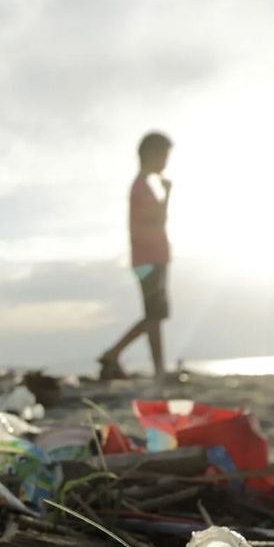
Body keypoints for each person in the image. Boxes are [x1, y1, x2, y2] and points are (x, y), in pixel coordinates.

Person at [100, 131, 174, 382]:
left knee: (155, 315)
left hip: (149, 258)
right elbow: (156, 220)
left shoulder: (142, 186)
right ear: (150, 154)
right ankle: (159, 370)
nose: (166, 161)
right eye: (164, 155)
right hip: (149, 259)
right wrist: (168, 195)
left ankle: (113, 353)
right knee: (154, 316)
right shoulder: (141, 187)